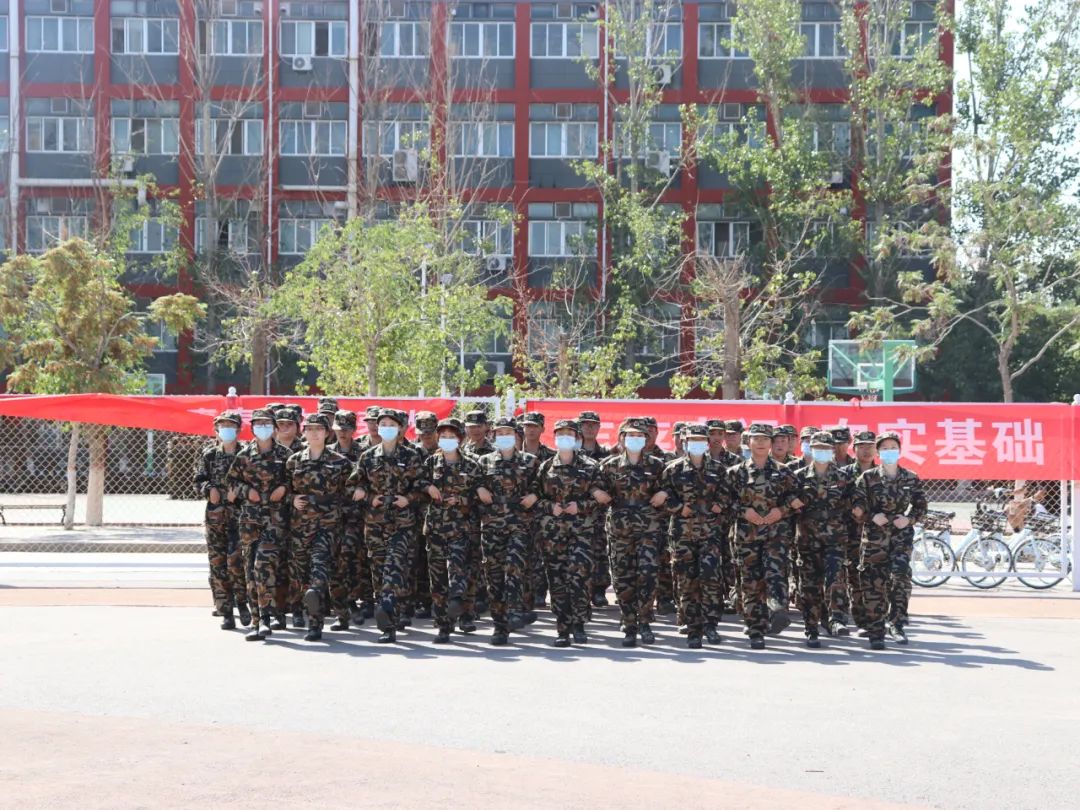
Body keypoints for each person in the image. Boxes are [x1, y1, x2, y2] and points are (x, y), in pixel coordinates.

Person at [348, 408, 428, 643]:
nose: (386, 428)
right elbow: (353, 485)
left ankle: (388, 616)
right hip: (375, 523)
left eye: (391, 424)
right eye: (382, 424)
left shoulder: (411, 456)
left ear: (400, 428)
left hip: (403, 523)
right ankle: (391, 617)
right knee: (379, 570)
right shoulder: (367, 457)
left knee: (394, 566)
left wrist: (408, 499)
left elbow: (422, 487)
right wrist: (367, 495)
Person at [533, 419, 605, 647]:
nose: (564, 438)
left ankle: (579, 624)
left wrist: (580, 506)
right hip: (553, 534)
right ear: (554, 437)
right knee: (557, 580)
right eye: (560, 434)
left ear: (577, 438)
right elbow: (535, 497)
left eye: (569, 434)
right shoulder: (545, 467)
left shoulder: (590, 466)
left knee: (580, 577)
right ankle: (562, 628)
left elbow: (602, 498)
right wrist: (549, 507)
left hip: (582, 532)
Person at [727, 423, 800, 649]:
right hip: (746, 535)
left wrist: (781, 510)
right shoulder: (735, 472)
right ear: (748, 442)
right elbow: (724, 501)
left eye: (765, 439)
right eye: (756, 439)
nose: (760, 443)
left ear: (771, 443)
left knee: (775, 574)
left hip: (775, 534)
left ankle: (777, 610)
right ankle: (755, 628)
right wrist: (743, 511)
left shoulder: (783, 471)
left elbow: (796, 499)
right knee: (751, 581)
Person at [852, 431, 927, 649]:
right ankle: (876, 630)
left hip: (901, 538)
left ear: (900, 450)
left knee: (900, 579)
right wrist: (870, 516)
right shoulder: (867, 478)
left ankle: (897, 624)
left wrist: (909, 519)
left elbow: (921, 507)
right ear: (878, 453)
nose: (889, 452)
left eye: (893, 448)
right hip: (875, 539)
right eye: (884, 449)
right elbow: (856, 507)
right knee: (873, 583)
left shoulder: (910, 477)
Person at [660, 424, 732, 648]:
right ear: (685, 442)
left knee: (711, 578)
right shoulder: (673, 469)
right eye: (693, 440)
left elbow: (728, 494)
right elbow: (663, 496)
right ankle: (692, 627)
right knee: (686, 579)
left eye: (701, 440)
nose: (697, 444)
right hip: (683, 534)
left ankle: (710, 624)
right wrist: (678, 507)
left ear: (707, 443)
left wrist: (720, 504)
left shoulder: (719, 469)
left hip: (710, 533)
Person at [598, 419, 667, 647]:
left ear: (646, 440)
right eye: (630, 435)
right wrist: (597, 492)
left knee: (648, 575)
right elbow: (594, 487)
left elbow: (671, 487)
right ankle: (629, 624)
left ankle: (645, 621)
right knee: (623, 578)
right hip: (620, 529)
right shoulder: (609, 465)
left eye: (640, 436)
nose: (635, 439)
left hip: (648, 530)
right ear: (622, 439)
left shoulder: (657, 465)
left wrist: (664, 493)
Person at [471, 417, 540, 645]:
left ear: (516, 435)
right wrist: (479, 488)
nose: (504, 437)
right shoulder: (484, 461)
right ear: (493, 435)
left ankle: (515, 610)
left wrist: (535, 495)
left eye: (508, 433)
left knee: (514, 565)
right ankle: (500, 626)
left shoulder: (530, 461)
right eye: (499, 433)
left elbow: (544, 486)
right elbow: (472, 484)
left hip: (520, 523)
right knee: (494, 576)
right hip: (492, 525)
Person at [226, 408, 292, 641]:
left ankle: (267, 616)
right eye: (258, 424)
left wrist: (284, 488)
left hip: (275, 520)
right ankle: (258, 621)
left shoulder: (285, 455)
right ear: (252, 428)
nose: (262, 427)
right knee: (250, 571)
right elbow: (231, 482)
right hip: (250, 520)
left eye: (266, 423)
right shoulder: (243, 455)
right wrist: (246, 491)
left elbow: (296, 481)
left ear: (274, 427)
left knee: (262, 565)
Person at [288, 413, 351, 642]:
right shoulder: (294, 461)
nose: (314, 433)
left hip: (328, 526)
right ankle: (341, 612)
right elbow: (282, 490)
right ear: (303, 432)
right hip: (301, 527)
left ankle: (315, 624)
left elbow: (350, 492)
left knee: (319, 569)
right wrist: (292, 499)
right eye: (310, 429)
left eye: (319, 429)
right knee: (307, 573)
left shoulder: (341, 463)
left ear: (327, 433)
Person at [424, 418, 484, 643]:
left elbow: (480, 495)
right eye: (443, 437)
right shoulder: (431, 463)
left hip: (462, 528)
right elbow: (416, 484)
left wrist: (461, 499)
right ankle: (443, 625)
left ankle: (460, 603)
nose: (447, 440)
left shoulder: (471, 465)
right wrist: (427, 486)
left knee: (458, 570)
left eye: (452, 436)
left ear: (460, 439)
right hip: (436, 529)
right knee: (438, 579)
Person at [793, 431, 856, 647]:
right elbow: (789, 504)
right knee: (810, 585)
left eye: (826, 448)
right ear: (811, 449)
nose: (821, 452)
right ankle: (811, 628)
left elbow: (853, 506)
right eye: (817, 448)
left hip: (835, 540)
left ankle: (836, 619)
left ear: (832, 450)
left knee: (835, 578)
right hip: (807, 541)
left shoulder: (843, 478)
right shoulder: (799, 477)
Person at [195, 411, 249, 630]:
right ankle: (226, 611)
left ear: (238, 430)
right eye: (222, 426)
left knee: (236, 562)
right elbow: (198, 480)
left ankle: (243, 603)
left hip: (240, 517)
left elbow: (255, 482)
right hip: (215, 518)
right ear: (216, 430)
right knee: (218, 564)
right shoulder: (209, 455)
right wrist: (208, 489)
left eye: (231, 426)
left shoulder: (246, 454)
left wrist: (239, 492)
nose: (226, 430)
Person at [327, 410, 368, 631]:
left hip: (355, 515)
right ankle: (341, 606)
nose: (342, 433)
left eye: (346, 429)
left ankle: (353, 601)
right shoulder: (327, 452)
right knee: (336, 560)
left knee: (352, 559)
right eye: (339, 429)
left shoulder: (363, 453)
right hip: (331, 516)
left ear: (353, 430)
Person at [839, 430, 878, 631]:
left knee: (868, 577)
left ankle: (866, 619)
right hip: (847, 532)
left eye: (870, 446)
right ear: (854, 449)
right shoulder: (843, 474)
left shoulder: (882, 475)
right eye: (862, 446)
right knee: (846, 575)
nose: (866, 450)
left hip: (874, 534)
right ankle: (839, 617)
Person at [577, 411, 612, 607]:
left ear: (599, 427)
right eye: (585, 424)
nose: (589, 428)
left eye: (593, 424)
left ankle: (599, 590)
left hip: (599, 511)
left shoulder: (607, 454)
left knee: (599, 549)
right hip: (577, 511)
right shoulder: (573, 453)